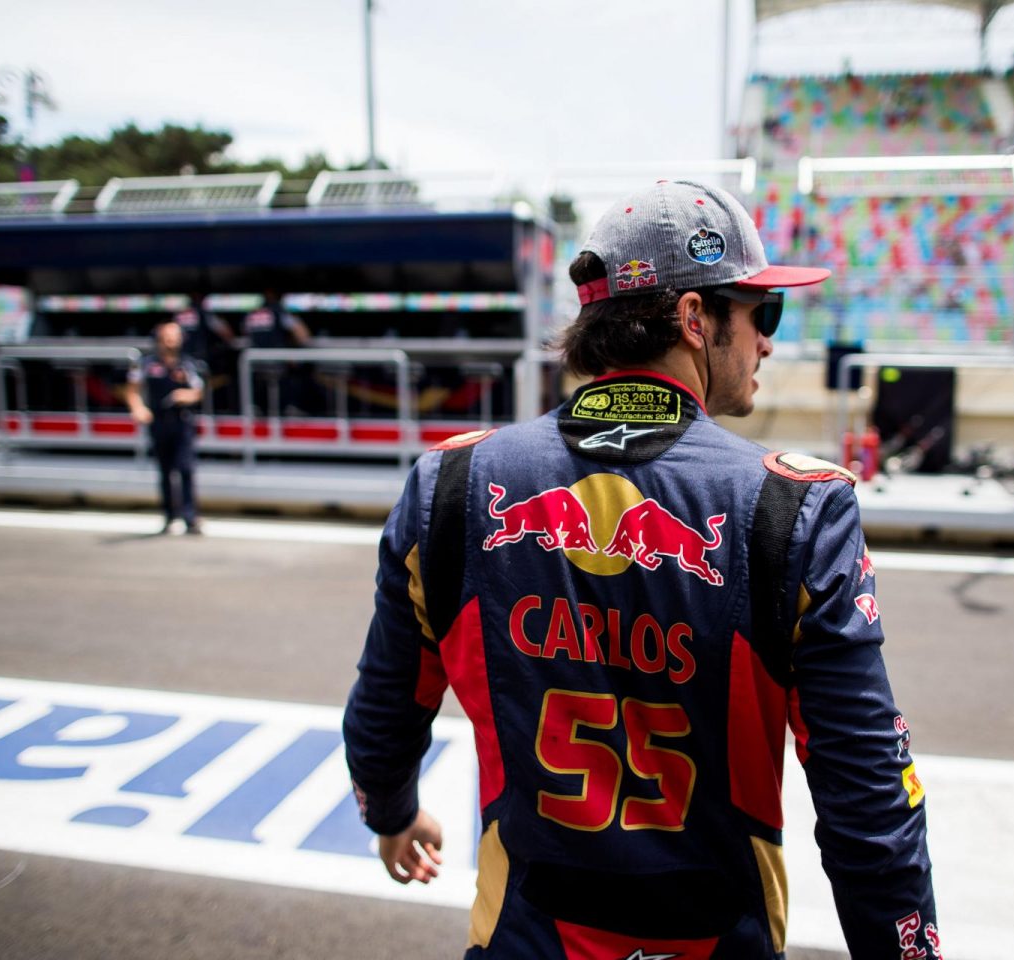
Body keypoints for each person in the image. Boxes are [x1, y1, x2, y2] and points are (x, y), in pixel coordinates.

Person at [343, 180, 938, 960]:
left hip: (526, 937)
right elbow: (867, 792)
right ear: (695, 320)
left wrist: (390, 811)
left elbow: (385, 706)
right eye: (763, 313)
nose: (767, 342)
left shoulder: (448, 487)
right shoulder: (796, 507)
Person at [126, 321, 205, 535]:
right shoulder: (147, 363)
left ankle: (191, 518)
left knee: (186, 469)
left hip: (182, 421)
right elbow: (132, 391)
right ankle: (170, 516)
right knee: (165, 471)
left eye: (175, 336)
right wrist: (138, 408)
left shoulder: (187, 364)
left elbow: (198, 391)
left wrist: (185, 395)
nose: (172, 340)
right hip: (159, 421)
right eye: (168, 336)